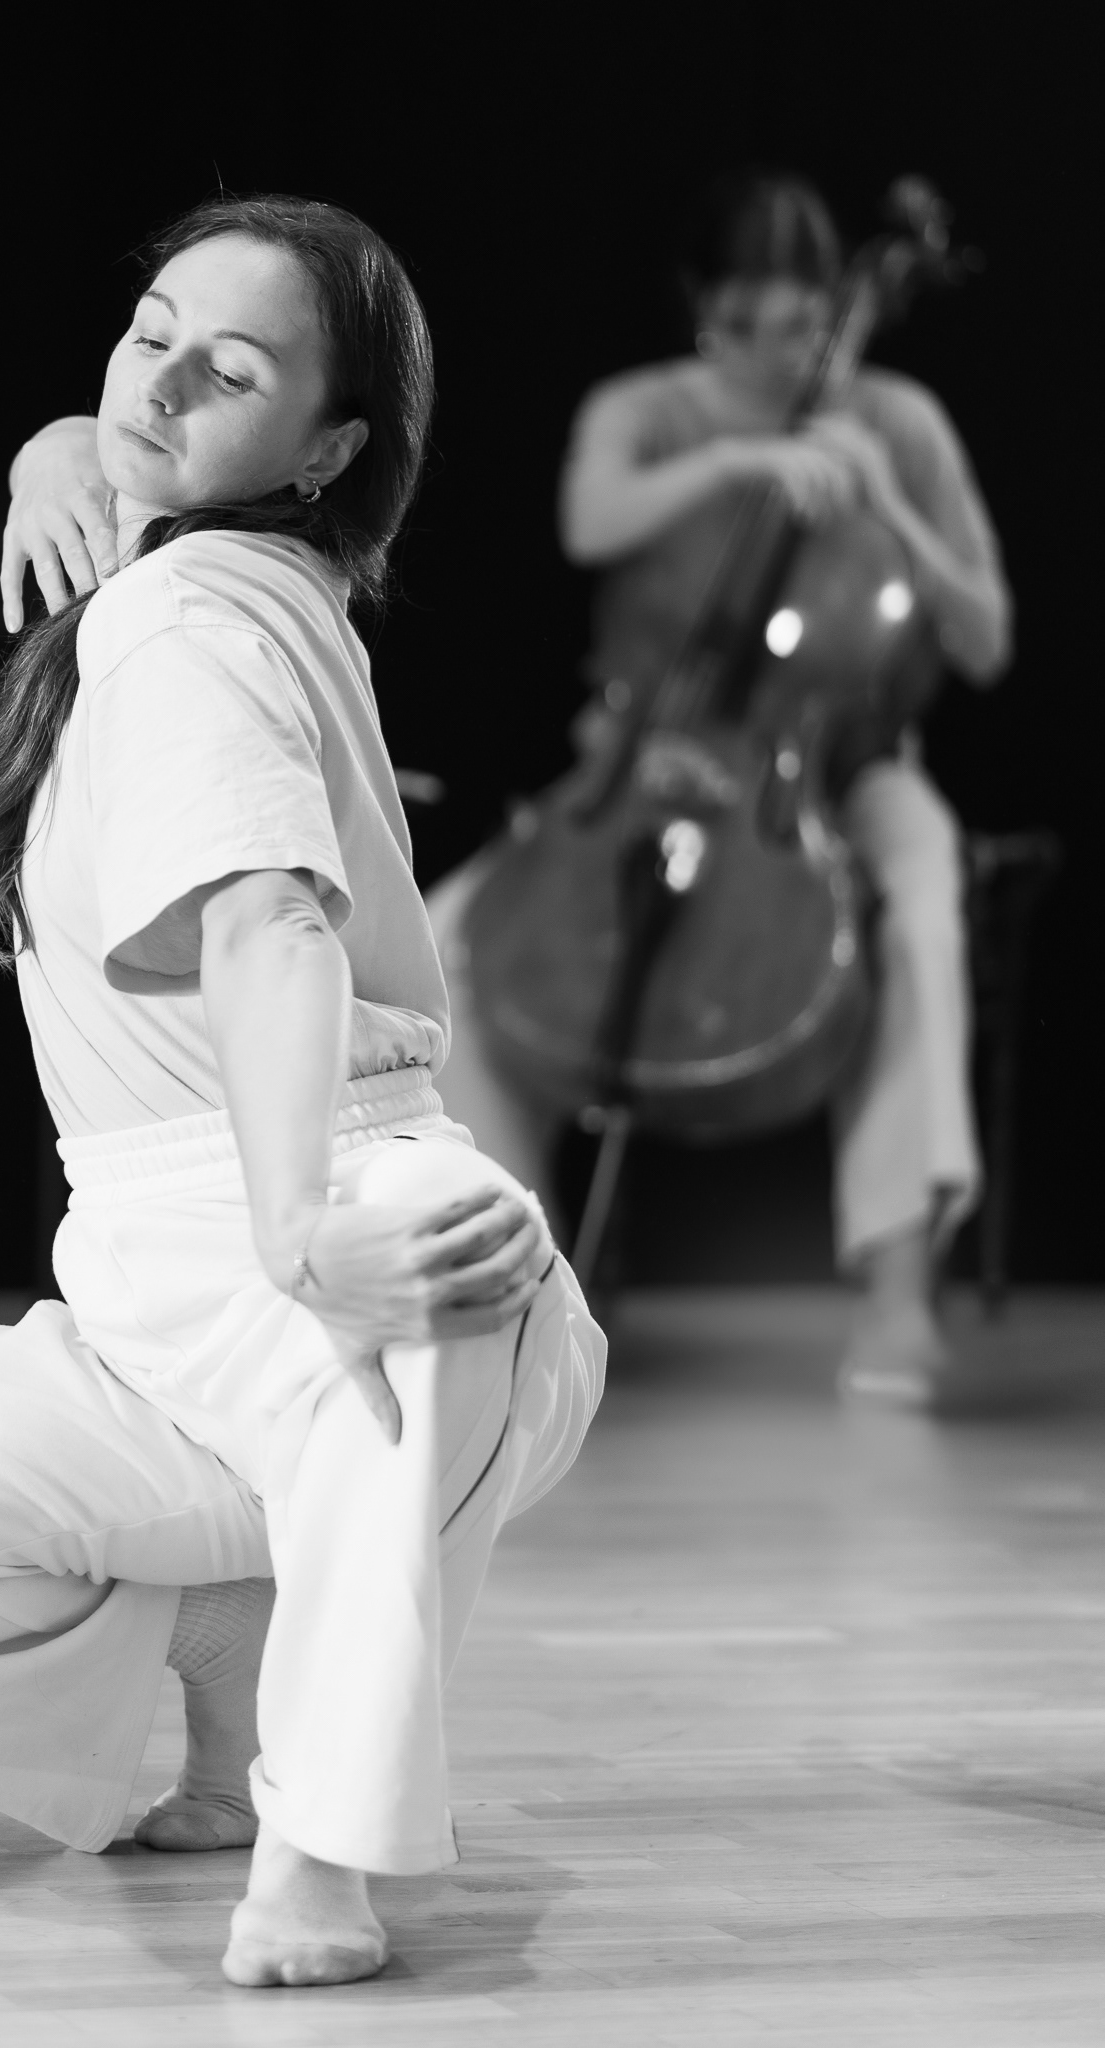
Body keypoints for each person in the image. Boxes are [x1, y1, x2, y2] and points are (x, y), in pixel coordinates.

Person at [0, 195, 604, 1990]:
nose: (157, 378)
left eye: (223, 368)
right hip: (150, 1302)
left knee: (429, 1244)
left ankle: (323, 1842)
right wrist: (61, 444)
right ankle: (219, 1644)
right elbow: (137, 437)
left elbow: (266, 924)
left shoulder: (187, 619)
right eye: (144, 329)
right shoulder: (187, 580)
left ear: (323, 451)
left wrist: (301, 1216)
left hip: (336, 1211)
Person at [425, 171, 1010, 1406]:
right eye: (740, 323)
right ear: (702, 310)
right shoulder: (646, 409)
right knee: (446, 942)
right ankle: (498, 1277)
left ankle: (900, 1289)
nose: (769, 349)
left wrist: (886, 495)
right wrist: (749, 459)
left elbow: (986, 636)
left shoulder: (898, 418)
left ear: (833, 318)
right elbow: (590, 521)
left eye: (799, 326)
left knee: (921, 914)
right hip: (642, 765)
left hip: (841, 775)